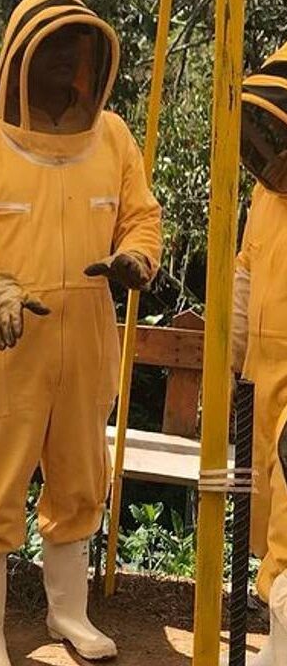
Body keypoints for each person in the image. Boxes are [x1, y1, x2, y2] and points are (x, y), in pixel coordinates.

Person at [0, 0, 162, 665]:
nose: (64, 60)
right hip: (6, 343)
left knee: (80, 479)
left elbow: (142, 216)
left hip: (87, 338)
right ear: (19, 57)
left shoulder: (112, 136)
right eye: (51, 47)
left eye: (73, 49)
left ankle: (68, 614)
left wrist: (136, 257)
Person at [233, 42, 287, 665]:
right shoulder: (263, 196)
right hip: (262, 380)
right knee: (269, 517)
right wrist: (233, 352)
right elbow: (246, 269)